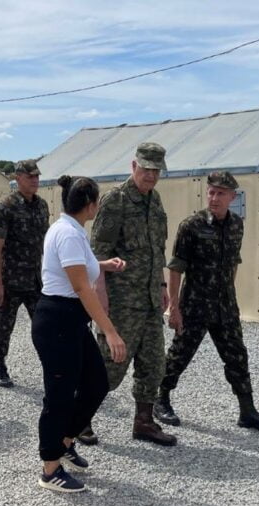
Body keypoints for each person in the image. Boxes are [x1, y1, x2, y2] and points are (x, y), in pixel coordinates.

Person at [154, 171, 259, 432]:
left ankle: (247, 411)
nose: (214, 198)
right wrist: (174, 308)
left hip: (225, 306)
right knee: (180, 354)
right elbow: (177, 267)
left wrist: (229, 294)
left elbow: (233, 262)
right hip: (195, 305)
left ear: (232, 197)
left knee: (237, 356)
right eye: (211, 192)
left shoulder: (236, 224)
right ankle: (161, 400)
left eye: (220, 193)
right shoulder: (192, 225)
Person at [33, 176, 127, 493]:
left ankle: (65, 440)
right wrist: (111, 331)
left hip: (70, 320)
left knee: (96, 383)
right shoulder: (68, 233)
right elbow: (80, 287)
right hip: (58, 319)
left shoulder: (72, 230)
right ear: (91, 205)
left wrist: (103, 265)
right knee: (59, 395)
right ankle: (50, 469)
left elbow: (75, 267)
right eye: (97, 202)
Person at [88, 142, 177, 446]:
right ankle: (80, 419)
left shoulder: (155, 201)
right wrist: (101, 300)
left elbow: (157, 249)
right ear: (133, 166)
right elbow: (97, 254)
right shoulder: (116, 201)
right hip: (122, 303)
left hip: (151, 301)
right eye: (146, 168)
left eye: (156, 170)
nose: (151, 175)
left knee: (154, 365)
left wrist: (163, 286)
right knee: (110, 369)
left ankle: (143, 422)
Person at [0, 159, 50, 387]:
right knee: (5, 326)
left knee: (45, 325)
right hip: (11, 280)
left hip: (35, 280)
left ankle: (51, 365)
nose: (35, 180)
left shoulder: (42, 206)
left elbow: (46, 243)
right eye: (30, 176)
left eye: (37, 176)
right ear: (17, 178)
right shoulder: (5, 208)